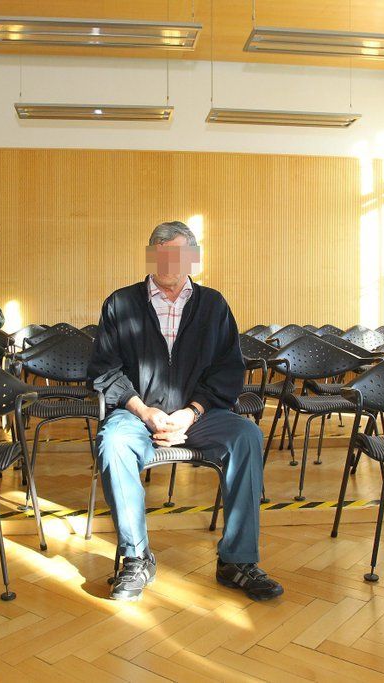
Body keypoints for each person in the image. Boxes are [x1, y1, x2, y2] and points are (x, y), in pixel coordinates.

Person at [87, 221, 284, 603]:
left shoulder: (213, 305)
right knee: (113, 443)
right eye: (160, 253)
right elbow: (105, 371)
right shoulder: (120, 304)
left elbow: (228, 370)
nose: (168, 262)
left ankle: (237, 561)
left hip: (199, 415)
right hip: (137, 413)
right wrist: (145, 411)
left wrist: (191, 413)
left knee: (246, 436)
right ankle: (136, 558)